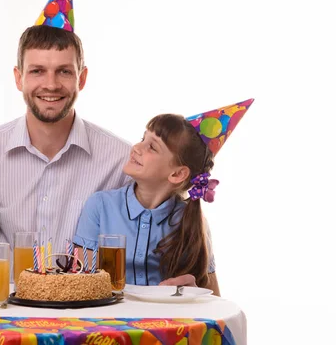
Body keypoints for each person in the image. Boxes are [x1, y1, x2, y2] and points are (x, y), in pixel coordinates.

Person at [0, 0, 132, 256]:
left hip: (85, 301)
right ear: (18, 78)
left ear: (82, 78)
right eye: (37, 71)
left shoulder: (119, 159)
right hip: (3, 300)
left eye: (64, 71)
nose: (51, 84)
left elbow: (155, 226)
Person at [73, 99, 255, 295]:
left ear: (177, 174)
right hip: (109, 321)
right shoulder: (100, 206)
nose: (137, 147)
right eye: (143, 138)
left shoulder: (190, 221)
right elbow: (80, 282)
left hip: (168, 322)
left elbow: (214, 300)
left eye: (152, 147)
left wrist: (193, 295)